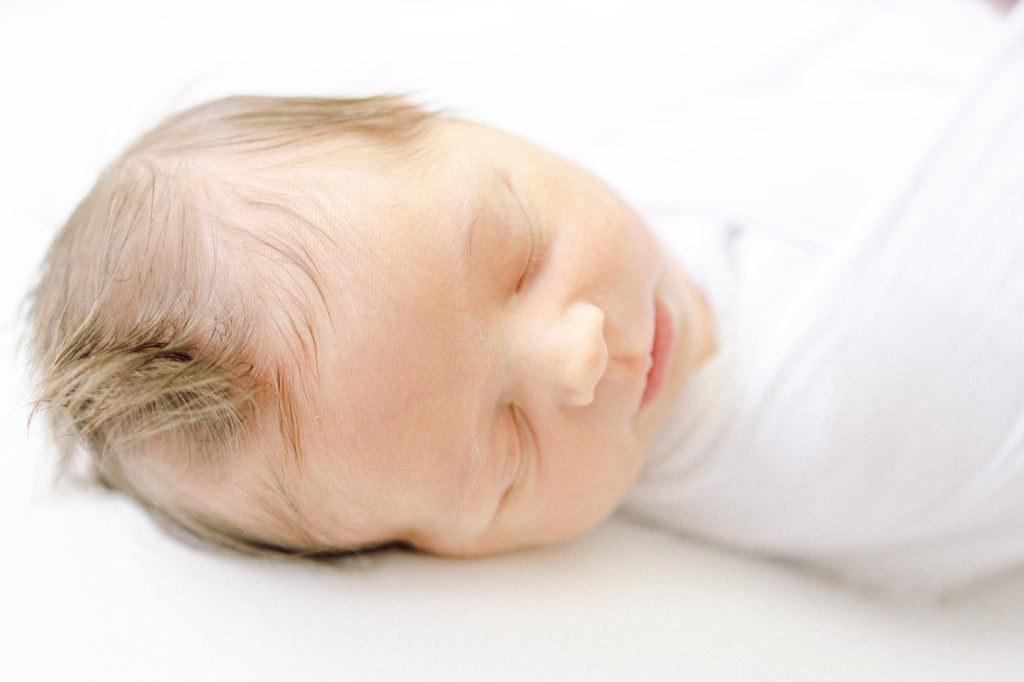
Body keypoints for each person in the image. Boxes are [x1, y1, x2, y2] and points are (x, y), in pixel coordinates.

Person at [27, 3, 1024, 597]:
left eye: (515, 253)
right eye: (507, 448)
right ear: (449, 549)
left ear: (456, 125)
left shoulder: (641, 145)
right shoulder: (838, 411)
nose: (583, 354)